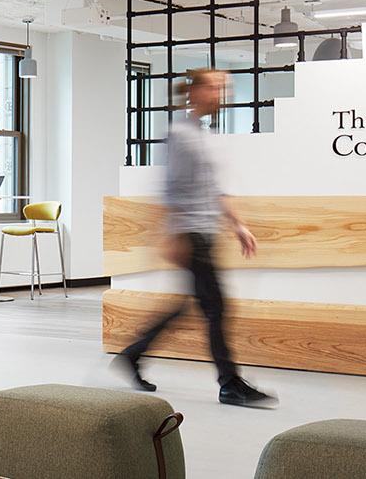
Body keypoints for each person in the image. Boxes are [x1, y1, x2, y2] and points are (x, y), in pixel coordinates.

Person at [114, 69, 277, 408]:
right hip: (191, 233)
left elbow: (213, 190)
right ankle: (229, 382)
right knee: (217, 307)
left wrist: (238, 225)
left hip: (206, 231)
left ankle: (133, 353)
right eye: (215, 87)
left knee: (194, 305)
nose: (221, 94)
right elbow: (170, 188)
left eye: (224, 88)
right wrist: (174, 233)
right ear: (197, 91)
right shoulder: (181, 134)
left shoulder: (204, 136)